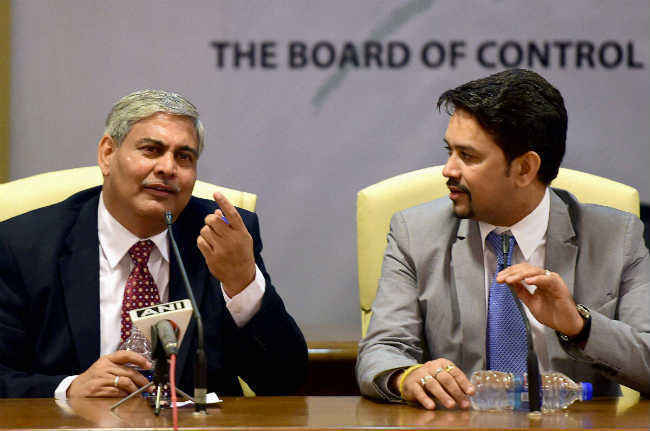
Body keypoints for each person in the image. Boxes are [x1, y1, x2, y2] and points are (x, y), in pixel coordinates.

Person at [356, 69, 649, 409]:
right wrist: (407, 377)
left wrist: (580, 327)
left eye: (468, 156)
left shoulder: (616, 238)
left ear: (525, 169)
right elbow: (381, 350)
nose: (448, 170)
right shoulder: (415, 233)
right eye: (449, 151)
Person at [0, 89, 308, 398]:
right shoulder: (24, 245)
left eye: (184, 157)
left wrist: (243, 284)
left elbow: (285, 381)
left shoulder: (220, 238)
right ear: (108, 154)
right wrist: (68, 389)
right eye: (151, 150)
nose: (167, 168)